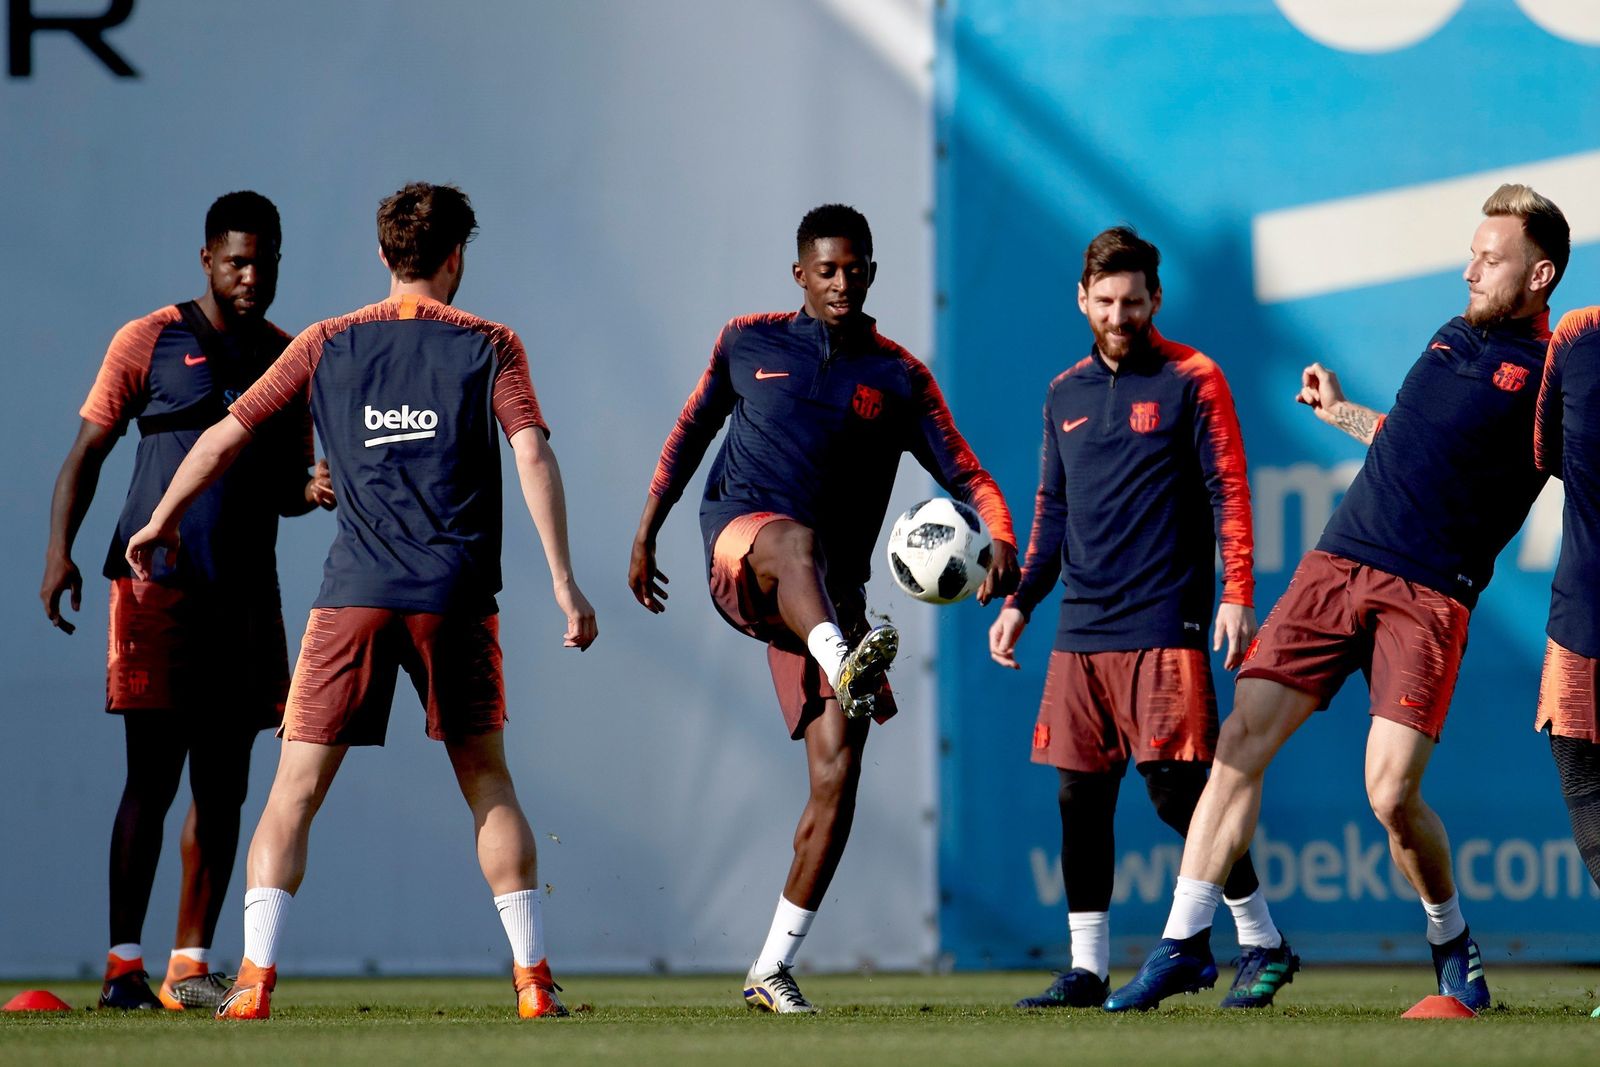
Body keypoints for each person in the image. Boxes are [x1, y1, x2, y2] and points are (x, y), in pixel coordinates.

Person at [125, 182, 597, 1021]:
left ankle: (253, 984)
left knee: (292, 792)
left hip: (353, 599)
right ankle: (532, 981)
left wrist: (162, 516)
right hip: (454, 597)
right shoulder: (491, 342)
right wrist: (563, 578)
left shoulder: (326, 341)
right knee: (489, 781)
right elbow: (531, 454)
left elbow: (226, 434)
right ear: (456, 257)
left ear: (384, 256)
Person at [1105, 184, 1569, 1013]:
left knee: (1391, 796)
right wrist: (1342, 411)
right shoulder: (1453, 334)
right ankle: (1181, 944)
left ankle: (1450, 940)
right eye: (1471, 252)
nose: (1469, 269)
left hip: (1431, 592)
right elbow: (1412, 443)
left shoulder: (1551, 379)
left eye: (1490, 260)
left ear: (1540, 276)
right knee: (1239, 741)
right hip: (1339, 560)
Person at [630, 203, 1018, 1012]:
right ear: (800, 273)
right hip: (746, 546)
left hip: (825, 595)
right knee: (795, 541)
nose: (841, 282)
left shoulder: (898, 376)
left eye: (855, 268)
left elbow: (970, 475)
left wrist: (1001, 535)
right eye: (826, 269)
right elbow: (688, 434)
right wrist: (647, 534)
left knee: (837, 774)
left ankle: (770, 968)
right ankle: (846, 660)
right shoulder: (747, 341)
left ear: (872, 271)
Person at [40, 191, 332, 1011]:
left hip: (244, 592)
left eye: (264, 261)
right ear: (206, 257)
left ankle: (187, 967)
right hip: (155, 588)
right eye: (236, 260)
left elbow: (281, 488)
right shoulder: (150, 338)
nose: (251, 275)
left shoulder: (289, 354)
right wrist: (60, 551)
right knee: (150, 776)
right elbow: (86, 452)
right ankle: (122, 966)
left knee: (226, 784)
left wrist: (308, 490)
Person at [990, 227, 1292, 1009]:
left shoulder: (1194, 377)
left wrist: (1236, 593)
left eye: (1133, 301)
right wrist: (1022, 602)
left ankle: (1260, 938)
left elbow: (1229, 487)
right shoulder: (1063, 393)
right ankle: (1086, 969)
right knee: (1078, 797)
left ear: (1155, 299)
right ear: (1083, 300)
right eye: (1106, 301)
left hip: (1166, 618)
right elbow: (1051, 512)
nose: (1119, 315)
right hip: (1082, 627)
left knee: (1177, 789)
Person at [1532, 306, 1600, 1018]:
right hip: (1582, 609)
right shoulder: (1577, 335)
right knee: (1582, 774)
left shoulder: (1581, 333)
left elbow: (1547, 452)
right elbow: (1544, 451)